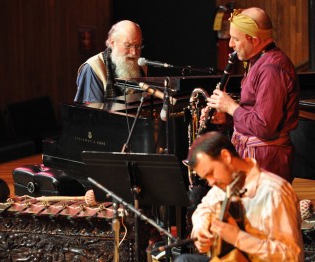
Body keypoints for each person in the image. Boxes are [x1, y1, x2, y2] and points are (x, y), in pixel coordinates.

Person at [204, 7, 299, 183]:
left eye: (235, 39)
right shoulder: (259, 62)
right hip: (256, 159)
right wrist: (228, 118)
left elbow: (265, 127)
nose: (231, 44)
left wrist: (231, 107)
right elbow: (255, 114)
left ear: (254, 40)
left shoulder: (271, 70)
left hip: (266, 163)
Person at [175, 131, 303, 262]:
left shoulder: (274, 192)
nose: (211, 182)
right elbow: (203, 209)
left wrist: (238, 238)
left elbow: (290, 255)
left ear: (225, 156)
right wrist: (200, 230)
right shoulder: (225, 185)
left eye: (211, 173)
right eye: (206, 177)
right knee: (184, 260)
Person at [74, 20, 147, 104]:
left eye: (137, 46)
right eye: (128, 45)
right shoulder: (93, 68)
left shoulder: (141, 67)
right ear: (112, 43)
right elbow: (92, 114)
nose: (134, 53)